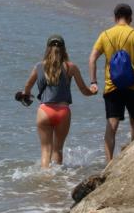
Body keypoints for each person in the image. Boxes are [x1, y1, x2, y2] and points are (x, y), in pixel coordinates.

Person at [88, 4, 134, 162]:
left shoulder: (105, 35)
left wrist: (93, 82)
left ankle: (108, 163)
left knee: (111, 125)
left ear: (115, 17)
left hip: (112, 87)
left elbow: (92, 58)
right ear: (130, 18)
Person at [20, 35, 95, 168]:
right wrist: (93, 90)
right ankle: (59, 180)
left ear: (48, 49)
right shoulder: (70, 67)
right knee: (57, 150)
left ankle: (46, 179)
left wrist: (26, 95)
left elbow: (27, 87)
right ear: (64, 49)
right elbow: (84, 90)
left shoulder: (38, 67)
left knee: (45, 150)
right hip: (63, 112)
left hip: (44, 112)